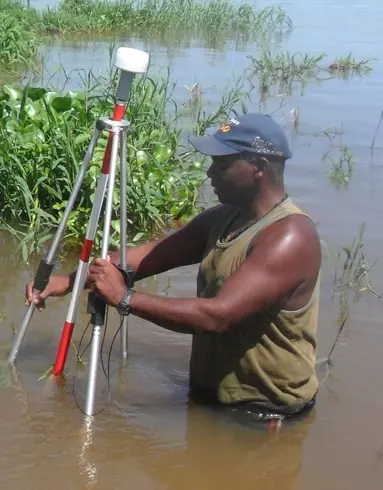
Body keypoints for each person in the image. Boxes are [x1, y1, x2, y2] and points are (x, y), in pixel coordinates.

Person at [25, 113, 321, 424]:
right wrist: (67, 282)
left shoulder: (290, 236)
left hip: (265, 414)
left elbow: (217, 316)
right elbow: (146, 257)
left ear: (258, 167)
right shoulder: (224, 218)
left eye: (222, 165)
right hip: (211, 398)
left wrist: (125, 299)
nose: (210, 173)